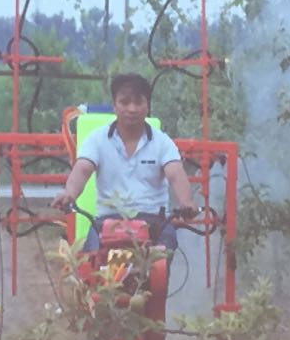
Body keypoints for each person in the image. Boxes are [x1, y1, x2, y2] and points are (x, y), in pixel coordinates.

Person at [53, 74, 198, 252]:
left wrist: (186, 201)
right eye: (125, 102)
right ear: (114, 105)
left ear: (147, 105)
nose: (132, 109)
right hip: (108, 221)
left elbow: (175, 173)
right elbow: (82, 169)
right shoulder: (97, 139)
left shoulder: (162, 142)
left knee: (160, 258)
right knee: (93, 259)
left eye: (138, 102)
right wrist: (69, 194)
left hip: (153, 220)